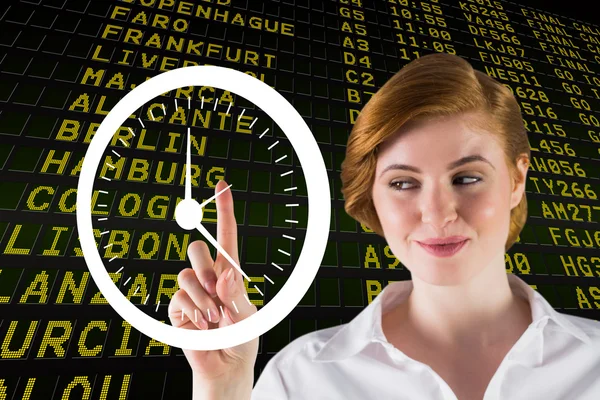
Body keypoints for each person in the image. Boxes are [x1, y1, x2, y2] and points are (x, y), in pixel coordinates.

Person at [170, 53, 600, 400]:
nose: (436, 213)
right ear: (370, 197)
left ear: (517, 180)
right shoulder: (299, 378)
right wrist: (222, 387)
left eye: (466, 178)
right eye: (403, 183)